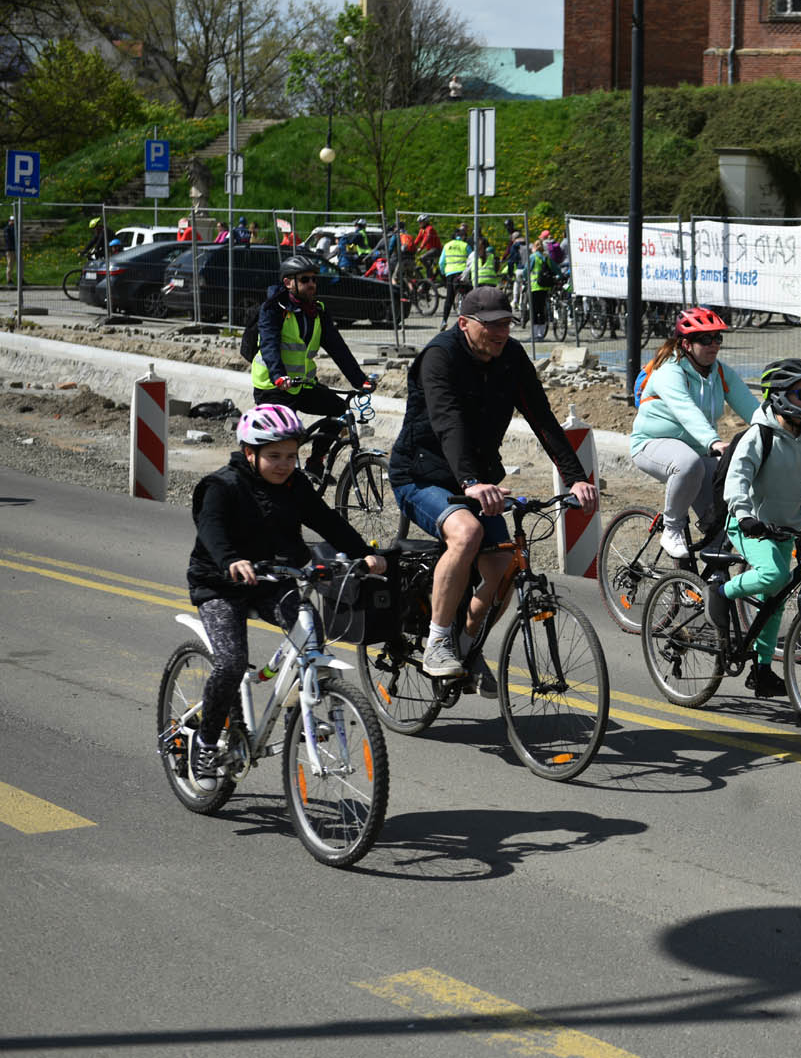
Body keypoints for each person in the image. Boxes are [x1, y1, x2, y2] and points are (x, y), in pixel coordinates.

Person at [388, 286, 599, 687]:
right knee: (466, 534)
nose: (500, 333)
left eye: (505, 324)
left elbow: (542, 418)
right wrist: (469, 481)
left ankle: (467, 645)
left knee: (503, 567)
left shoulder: (512, 357)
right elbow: (448, 421)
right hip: (422, 475)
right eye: (491, 325)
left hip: (480, 482)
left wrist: (576, 478)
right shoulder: (439, 357)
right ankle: (437, 641)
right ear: (464, 323)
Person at [184, 404, 386, 789]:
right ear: (249, 453)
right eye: (274, 456)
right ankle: (207, 743)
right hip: (221, 583)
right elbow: (211, 530)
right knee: (230, 663)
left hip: (275, 578)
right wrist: (231, 560)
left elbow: (327, 522)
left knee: (310, 633)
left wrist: (364, 554)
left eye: (291, 456)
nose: (284, 464)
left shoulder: (295, 486)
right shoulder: (220, 487)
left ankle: (308, 701)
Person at [711, 357, 801, 698]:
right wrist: (745, 515)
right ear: (780, 397)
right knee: (773, 576)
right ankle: (719, 592)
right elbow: (738, 480)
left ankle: (761, 671)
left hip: (784, 528)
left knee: (774, 599)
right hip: (748, 524)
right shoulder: (760, 436)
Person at [629, 307, 761, 559]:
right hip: (652, 444)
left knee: (725, 520)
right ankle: (672, 528)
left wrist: (778, 434)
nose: (713, 345)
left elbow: (753, 410)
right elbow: (685, 410)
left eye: (717, 338)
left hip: (699, 450)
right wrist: (713, 441)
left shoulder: (720, 372)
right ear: (687, 344)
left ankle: (708, 578)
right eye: (705, 339)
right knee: (687, 464)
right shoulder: (670, 370)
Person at [251, 255, 375, 483]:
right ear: (289, 283)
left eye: (314, 279)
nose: (312, 284)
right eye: (305, 279)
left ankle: (315, 462)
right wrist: (279, 376)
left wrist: (360, 381)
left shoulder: (317, 310)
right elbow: (269, 345)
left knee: (340, 410)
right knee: (283, 440)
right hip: (273, 387)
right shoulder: (273, 309)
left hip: (303, 385)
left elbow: (338, 348)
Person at [437, 228, 471, 327]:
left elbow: (441, 262)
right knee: (467, 295)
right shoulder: (465, 245)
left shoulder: (447, 245)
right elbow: (472, 257)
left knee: (449, 297)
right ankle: (467, 319)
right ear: (462, 237)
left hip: (450, 274)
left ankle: (444, 320)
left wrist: (443, 272)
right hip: (462, 273)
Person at [528, 238, 560, 342]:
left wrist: (524, 278)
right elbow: (555, 268)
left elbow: (526, 270)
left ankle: (534, 334)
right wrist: (560, 275)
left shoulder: (533, 257)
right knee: (541, 310)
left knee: (533, 310)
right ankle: (541, 334)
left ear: (534, 247)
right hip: (545, 286)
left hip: (534, 287)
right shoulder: (546, 257)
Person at [3, 215, 14, 284]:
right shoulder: (7, 229)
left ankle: (21, 279)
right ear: (9, 221)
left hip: (16, 249)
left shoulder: (15, 228)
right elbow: (8, 239)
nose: (13, 222)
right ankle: (9, 280)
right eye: (11, 220)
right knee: (10, 265)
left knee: (21, 264)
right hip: (10, 249)